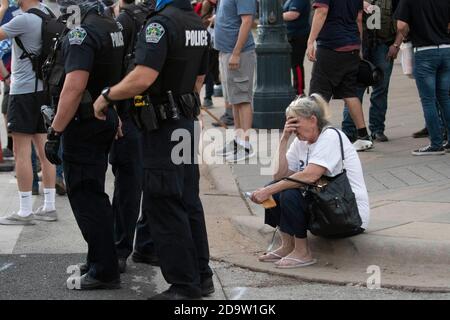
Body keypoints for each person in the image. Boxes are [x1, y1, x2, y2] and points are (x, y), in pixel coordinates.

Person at [93, 0, 214, 300]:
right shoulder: (197, 23)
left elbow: (143, 77)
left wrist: (107, 95)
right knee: (188, 200)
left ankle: (184, 286)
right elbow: (199, 79)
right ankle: (202, 276)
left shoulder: (160, 24)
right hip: (185, 122)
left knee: (164, 203)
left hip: (162, 128)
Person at [44, 0, 125, 289]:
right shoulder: (110, 25)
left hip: (84, 123)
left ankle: (104, 270)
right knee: (93, 192)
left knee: (87, 196)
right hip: (101, 118)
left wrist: (55, 132)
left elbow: (74, 87)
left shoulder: (82, 34)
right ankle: (99, 258)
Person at [251, 94, 370, 268]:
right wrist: (284, 139)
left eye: (295, 123)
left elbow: (310, 176)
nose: (293, 129)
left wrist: (269, 191)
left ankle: (303, 252)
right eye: (289, 123)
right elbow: (278, 175)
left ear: (312, 120)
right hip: (327, 207)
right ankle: (288, 246)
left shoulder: (330, 137)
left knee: (289, 193)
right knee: (275, 188)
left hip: (349, 215)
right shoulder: (301, 142)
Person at [0, 0, 57, 226]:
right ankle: (50, 206)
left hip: (22, 92)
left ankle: (25, 210)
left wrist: (3, 9)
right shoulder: (46, 14)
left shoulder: (22, 20)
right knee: (44, 150)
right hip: (43, 91)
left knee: (21, 151)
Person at [109, 0, 154, 273]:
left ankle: (120, 249)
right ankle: (146, 245)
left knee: (128, 184)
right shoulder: (162, 18)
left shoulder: (126, 21)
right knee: (151, 182)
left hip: (131, 113)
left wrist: (111, 107)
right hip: (157, 114)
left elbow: (116, 69)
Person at [307, 0, 373, 152]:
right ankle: (363, 136)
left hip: (331, 46)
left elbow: (321, 12)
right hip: (351, 46)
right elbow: (358, 18)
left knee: (318, 93)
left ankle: (314, 135)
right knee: (349, 92)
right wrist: (359, 46)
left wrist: (310, 41)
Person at [395, 0, 450, 155]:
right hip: (446, 49)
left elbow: (400, 25)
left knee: (428, 100)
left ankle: (436, 143)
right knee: (444, 98)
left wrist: (408, 34)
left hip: (424, 51)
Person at [342, 0, 401, 143]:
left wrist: (396, 44)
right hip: (360, 45)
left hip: (384, 45)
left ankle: (377, 129)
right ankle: (350, 131)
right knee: (355, 89)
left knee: (381, 88)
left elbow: (403, 20)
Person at [214, 0, 256, 162]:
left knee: (243, 98)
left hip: (239, 54)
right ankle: (238, 142)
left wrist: (236, 53)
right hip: (227, 52)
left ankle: (245, 145)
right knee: (235, 100)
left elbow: (247, 21)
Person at [283, 0, 311, 96]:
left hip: (298, 36)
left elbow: (293, 14)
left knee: (296, 64)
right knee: (293, 64)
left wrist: (277, 16)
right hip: (291, 36)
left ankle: (299, 91)